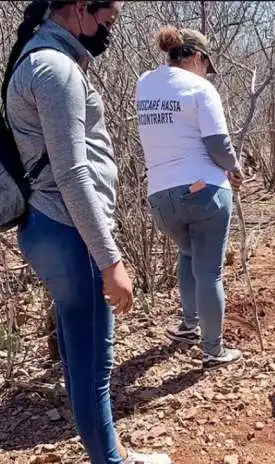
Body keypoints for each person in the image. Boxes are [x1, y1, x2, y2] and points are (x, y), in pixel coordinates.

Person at [4, 1, 170, 463]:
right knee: (93, 363)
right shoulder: (54, 69)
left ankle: (108, 452)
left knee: (81, 355)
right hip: (68, 231)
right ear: (79, 9)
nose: (109, 30)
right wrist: (110, 261)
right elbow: (73, 173)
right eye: (108, 19)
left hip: (52, 227)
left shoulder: (40, 57)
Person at [135, 25, 244, 370]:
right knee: (209, 271)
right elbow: (218, 146)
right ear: (197, 57)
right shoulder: (201, 88)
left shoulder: (144, 83)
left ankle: (189, 325)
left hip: (161, 198)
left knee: (187, 253)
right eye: (206, 64)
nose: (206, 71)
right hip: (203, 192)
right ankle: (213, 351)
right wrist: (235, 169)